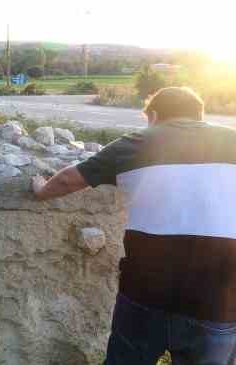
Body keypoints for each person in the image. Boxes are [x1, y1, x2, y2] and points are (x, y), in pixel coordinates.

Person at [31, 87, 236, 365]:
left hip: (146, 291)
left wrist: (41, 189)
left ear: (152, 115)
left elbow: (69, 180)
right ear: (199, 115)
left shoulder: (138, 142)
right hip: (219, 298)